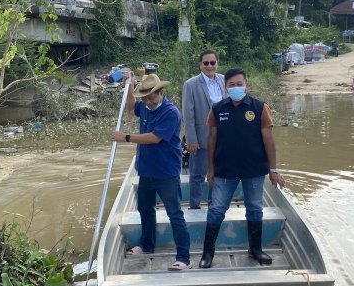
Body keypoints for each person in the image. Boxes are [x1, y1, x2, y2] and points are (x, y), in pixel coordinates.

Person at [199, 68, 285, 269]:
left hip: (253, 170)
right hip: (224, 171)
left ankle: (255, 249)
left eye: (239, 84)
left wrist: (273, 170)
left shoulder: (259, 108)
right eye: (231, 85)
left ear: (247, 85)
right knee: (216, 209)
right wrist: (210, 168)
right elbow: (211, 139)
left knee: (255, 209)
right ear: (225, 87)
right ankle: (207, 253)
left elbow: (269, 140)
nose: (236, 88)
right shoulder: (218, 109)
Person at [111, 73, 191, 270]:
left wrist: (126, 137)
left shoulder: (171, 112)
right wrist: (130, 87)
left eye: (151, 97)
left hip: (166, 173)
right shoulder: (146, 107)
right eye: (145, 98)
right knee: (145, 210)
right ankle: (147, 245)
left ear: (161, 92)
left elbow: (155, 138)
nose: (148, 101)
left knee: (174, 214)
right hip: (146, 170)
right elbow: (131, 109)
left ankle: (184, 258)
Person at [182, 49, 227, 209]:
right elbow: (188, 115)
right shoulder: (191, 84)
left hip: (223, 137)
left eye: (212, 63)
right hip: (201, 138)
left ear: (217, 63)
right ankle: (194, 205)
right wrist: (191, 139)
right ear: (200, 65)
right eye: (206, 63)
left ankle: (213, 203)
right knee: (197, 175)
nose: (209, 66)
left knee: (219, 173)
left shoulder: (224, 80)